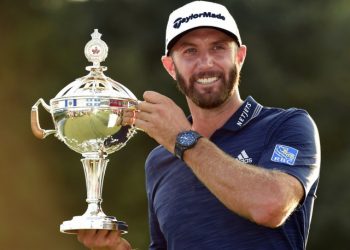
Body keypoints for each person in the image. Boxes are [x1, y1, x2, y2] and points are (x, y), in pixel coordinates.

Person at [77, 1, 321, 249]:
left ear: (239, 57)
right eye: (190, 51)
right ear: (170, 66)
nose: (206, 63)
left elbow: (271, 205)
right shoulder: (159, 161)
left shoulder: (287, 125)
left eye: (218, 48)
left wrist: (182, 140)